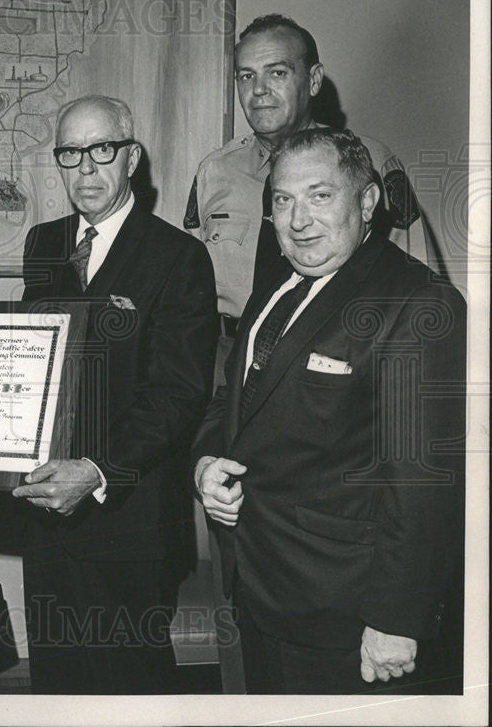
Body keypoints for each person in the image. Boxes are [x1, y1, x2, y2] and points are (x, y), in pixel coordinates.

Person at [193, 128, 465, 694]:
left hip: (349, 617)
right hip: (262, 589)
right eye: (283, 200)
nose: (298, 221)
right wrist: (205, 462)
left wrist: (396, 619)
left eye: (320, 196)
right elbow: (232, 399)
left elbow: (422, 485)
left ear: (366, 203)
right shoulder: (276, 280)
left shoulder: (415, 304)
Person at [13, 95, 218, 693]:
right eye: (70, 153)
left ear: (132, 157)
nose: (86, 169)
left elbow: (179, 394)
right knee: (56, 678)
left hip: (130, 516)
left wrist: (97, 469)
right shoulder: (44, 244)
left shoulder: (179, 256)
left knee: (128, 685)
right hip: (46, 508)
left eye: (102, 150)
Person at [184, 14, 442, 383]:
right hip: (226, 361)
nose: (258, 90)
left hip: (332, 364)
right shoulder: (214, 171)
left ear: (314, 80)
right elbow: (190, 288)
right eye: (246, 76)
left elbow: (422, 286)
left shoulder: (367, 163)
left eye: (277, 73)